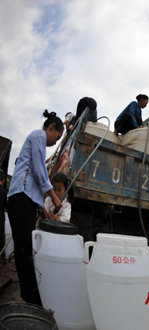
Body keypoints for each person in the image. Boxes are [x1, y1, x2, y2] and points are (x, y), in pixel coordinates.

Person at [7, 110, 64, 305]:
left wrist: (45, 212)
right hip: (20, 198)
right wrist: (55, 198)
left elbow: (35, 190)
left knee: (24, 250)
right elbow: (40, 172)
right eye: (56, 138)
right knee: (24, 251)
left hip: (24, 199)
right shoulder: (38, 135)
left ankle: (27, 294)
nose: (54, 143)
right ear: (51, 127)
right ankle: (32, 298)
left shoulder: (37, 140)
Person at [0, 169, 7, 259]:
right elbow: (6, 205)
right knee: (1, 239)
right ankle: (2, 257)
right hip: (0, 218)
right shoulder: (3, 191)